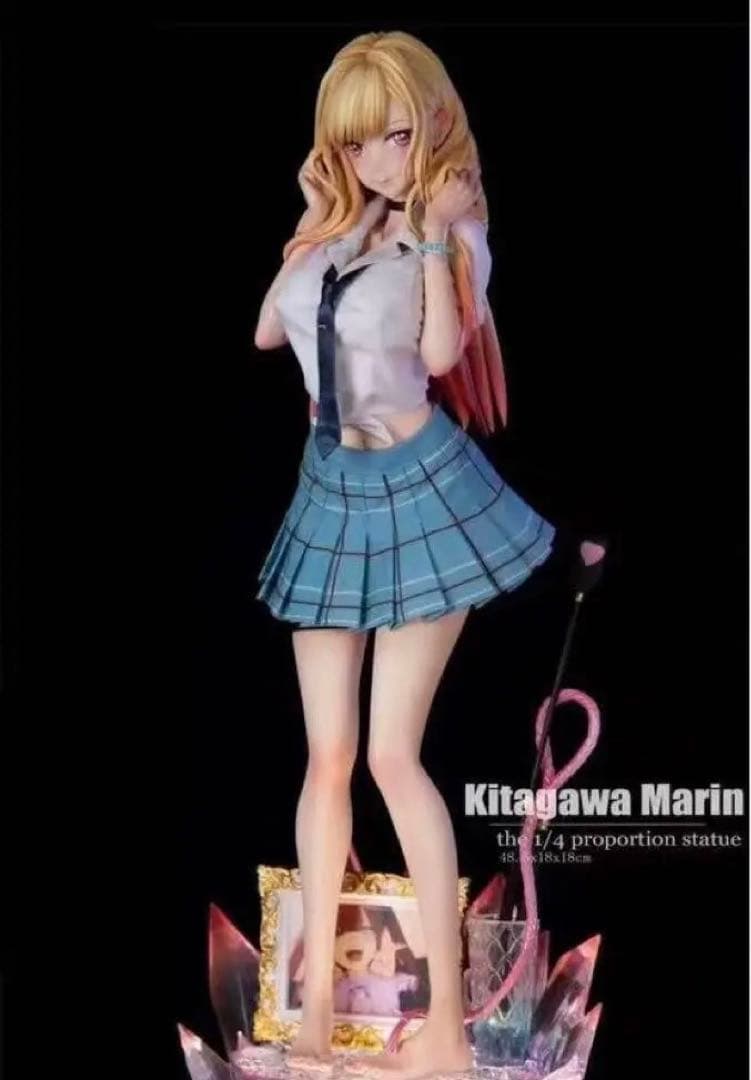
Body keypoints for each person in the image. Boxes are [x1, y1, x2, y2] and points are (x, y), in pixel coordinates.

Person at [253, 29, 557, 1079]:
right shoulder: (344, 227)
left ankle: (444, 1029)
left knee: (391, 755)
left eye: (393, 135)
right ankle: (314, 1012)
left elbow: (437, 352)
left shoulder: (455, 228)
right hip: (329, 490)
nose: (378, 159)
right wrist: (320, 220)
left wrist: (431, 239)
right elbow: (268, 332)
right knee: (326, 756)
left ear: (432, 122)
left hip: (422, 492)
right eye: (354, 142)